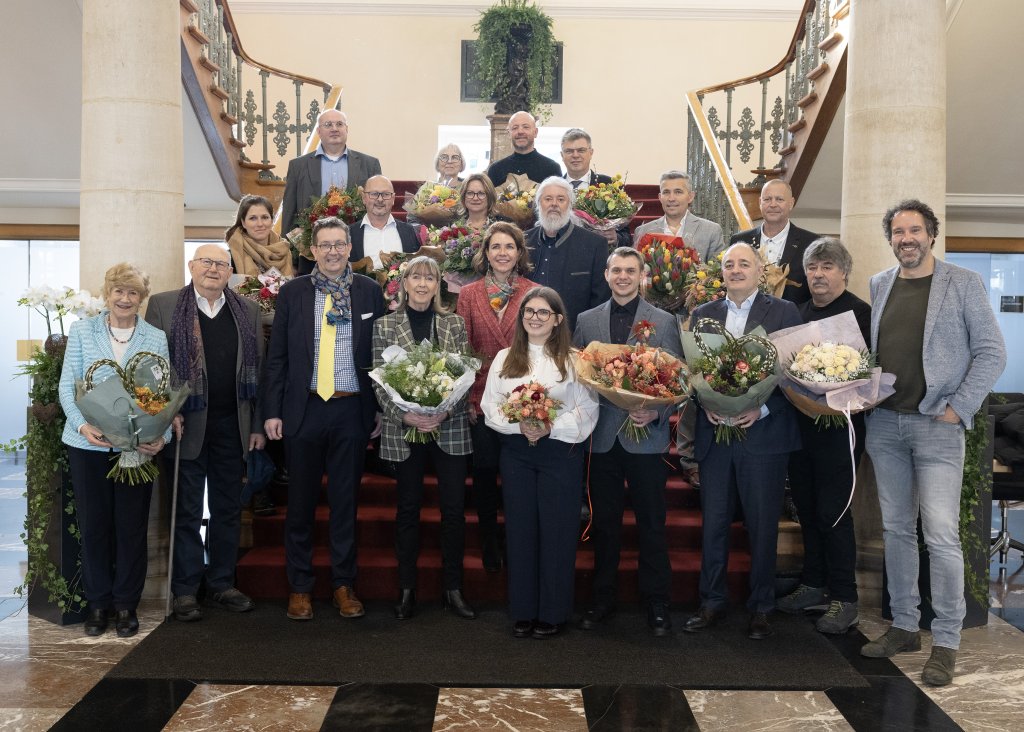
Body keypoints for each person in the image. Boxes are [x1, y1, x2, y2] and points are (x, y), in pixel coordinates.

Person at [861, 199, 1005, 686]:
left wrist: (957, 407)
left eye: (915, 230)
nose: (907, 238)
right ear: (891, 238)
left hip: (937, 426)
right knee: (898, 530)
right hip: (885, 425)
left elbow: (991, 352)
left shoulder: (962, 283)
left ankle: (946, 640)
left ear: (931, 235)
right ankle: (904, 625)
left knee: (941, 535)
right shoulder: (880, 284)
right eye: (898, 231)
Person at [262, 216, 386, 622]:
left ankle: (342, 585)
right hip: (305, 409)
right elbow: (276, 357)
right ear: (311, 251)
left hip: (352, 409)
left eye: (339, 244)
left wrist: (380, 408)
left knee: (345, 503)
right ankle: (300, 587)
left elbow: (383, 357)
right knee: (299, 503)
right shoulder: (294, 293)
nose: (332, 251)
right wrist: (273, 411)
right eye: (324, 245)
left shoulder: (369, 291)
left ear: (350, 248)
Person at [682, 243, 802, 641]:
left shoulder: (784, 313)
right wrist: (707, 403)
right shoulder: (703, 314)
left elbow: (796, 377)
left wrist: (761, 410)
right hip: (715, 435)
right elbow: (694, 373)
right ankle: (711, 601)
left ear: (760, 270)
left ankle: (761, 606)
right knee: (713, 524)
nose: (735, 270)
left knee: (762, 525)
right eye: (729, 264)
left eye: (744, 264)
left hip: (764, 437)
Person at [145, 244, 265, 623]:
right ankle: (185, 589)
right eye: (207, 262)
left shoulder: (247, 310)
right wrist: (165, 415)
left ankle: (221, 583)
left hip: (234, 426)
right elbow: (149, 368)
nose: (214, 269)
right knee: (186, 509)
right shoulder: (164, 306)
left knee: (229, 509)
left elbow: (257, 373)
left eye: (221, 264)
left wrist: (257, 425)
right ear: (191, 266)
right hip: (185, 426)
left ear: (230, 272)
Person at [572, 247, 683, 636]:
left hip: (646, 439)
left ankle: (657, 602)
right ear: (606, 275)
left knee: (653, 524)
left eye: (630, 270)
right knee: (605, 524)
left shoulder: (664, 321)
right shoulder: (586, 321)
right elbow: (579, 376)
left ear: (642, 276)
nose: (622, 276)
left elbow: (680, 381)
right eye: (616, 270)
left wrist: (657, 412)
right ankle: (602, 599)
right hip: (601, 439)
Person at [58, 263, 171, 638]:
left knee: (131, 528)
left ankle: (125, 605)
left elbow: (162, 396)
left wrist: (161, 436)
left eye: (133, 293)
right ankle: (98, 604)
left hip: (135, 447)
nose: (125, 299)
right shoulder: (82, 331)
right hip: (88, 445)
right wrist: (83, 425)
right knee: (94, 528)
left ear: (142, 298)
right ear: (107, 295)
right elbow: (66, 387)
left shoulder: (155, 337)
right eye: (118, 291)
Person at [482, 287, 598, 639]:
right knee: (520, 531)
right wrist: (519, 424)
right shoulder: (505, 358)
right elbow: (491, 406)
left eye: (543, 312)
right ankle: (523, 610)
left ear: (558, 319)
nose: (534, 317)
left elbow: (587, 409)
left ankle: (552, 612)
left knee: (558, 532)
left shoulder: (574, 359)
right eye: (529, 311)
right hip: (517, 452)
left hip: (559, 454)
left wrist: (550, 427)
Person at [371, 255, 475, 620]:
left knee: (453, 512)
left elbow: (466, 379)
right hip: (404, 430)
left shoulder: (454, 325)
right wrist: (405, 414)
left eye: (429, 278)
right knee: (408, 510)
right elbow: (380, 383)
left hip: (449, 429)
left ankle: (453, 588)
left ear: (438, 286)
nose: (422, 284)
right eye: (415, 277)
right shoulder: (385, 325)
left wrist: (444, 411)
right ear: (403, 283)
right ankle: (406, 589)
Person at [775, 237, 871, 634]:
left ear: (843, 273)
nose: (818, 274)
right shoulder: (796, 312)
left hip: (841, 430)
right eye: (813, 267)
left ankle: (845, 598)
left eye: (827, 267)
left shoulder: (861, 312)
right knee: (807, 508)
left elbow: (869, 372)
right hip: (802, 428)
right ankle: (813, 584)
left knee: (834, 512)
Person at [456, 222, 537, 573]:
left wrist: (534, 401)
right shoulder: (469, 294)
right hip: (482, 404)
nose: (502, 253)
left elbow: (540, 350)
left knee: (519, 480)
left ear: (520, 254)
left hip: (523, 402)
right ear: (485, 253)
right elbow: (463, 352)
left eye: (509, 247)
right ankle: (490, 543)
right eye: (496, 247)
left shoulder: (536, 292)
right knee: (486, 476)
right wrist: (472, 400)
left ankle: (518, 544)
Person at [280, 109, 382, 243]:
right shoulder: (298, 166)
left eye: (339, 124)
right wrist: (288, 248)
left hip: (357, 242)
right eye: (328, 125)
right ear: (318, 131)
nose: (334, 129)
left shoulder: (370, 164)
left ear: (347, 129)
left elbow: (378, 206)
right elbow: (289, 211)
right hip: (311, 245)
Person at [524, 176, 611, 331]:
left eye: (561, 199)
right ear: (538, 204)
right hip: (528, 331)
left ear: (570, 205)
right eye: (548, 199)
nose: (554, 204)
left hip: (572, 334)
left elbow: (600, 300)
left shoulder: (594, 245)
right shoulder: (523, 241)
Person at [729, 179, 817, 304]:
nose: (773, 204)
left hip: (794, 320)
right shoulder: (739, 241)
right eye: (767, 199)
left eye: (779, 199)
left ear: (791, 203)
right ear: (760, 202)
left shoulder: (811, 243)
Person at [559, 128, 630, 250]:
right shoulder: (554, 187)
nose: (575, 155)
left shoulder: (610, 186)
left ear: (591, 153)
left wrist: (616, 237)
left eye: (581, 150)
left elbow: (627, 235)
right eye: (569, 151)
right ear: (562, 155)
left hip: (600, 257)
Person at [633, 171, 725, 263]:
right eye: (666, 192)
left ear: (690, 197)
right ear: (660, 197)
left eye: (678, 192)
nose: (671, 198)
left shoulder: (711, 231)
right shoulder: (643, 231)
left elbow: (716, 272)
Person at [349, 175, 425, 270]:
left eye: (386, 194)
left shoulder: (410, 232)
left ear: (393, 199)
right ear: (364, 198)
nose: (380, 199)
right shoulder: (349, 234)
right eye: (374, 194)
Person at [486, 111, 561, 189]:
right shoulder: (496, 170)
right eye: (515, 128)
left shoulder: (552, 168)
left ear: (535, 132)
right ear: (509, 134)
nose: (520, 132)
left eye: (526, 127)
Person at [224, 194, 294, 277]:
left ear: (272, 221)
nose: (260, 224)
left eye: (265, 217)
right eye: (253, 218)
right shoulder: (229, 257)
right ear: (243, 223)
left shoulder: (285, 250)